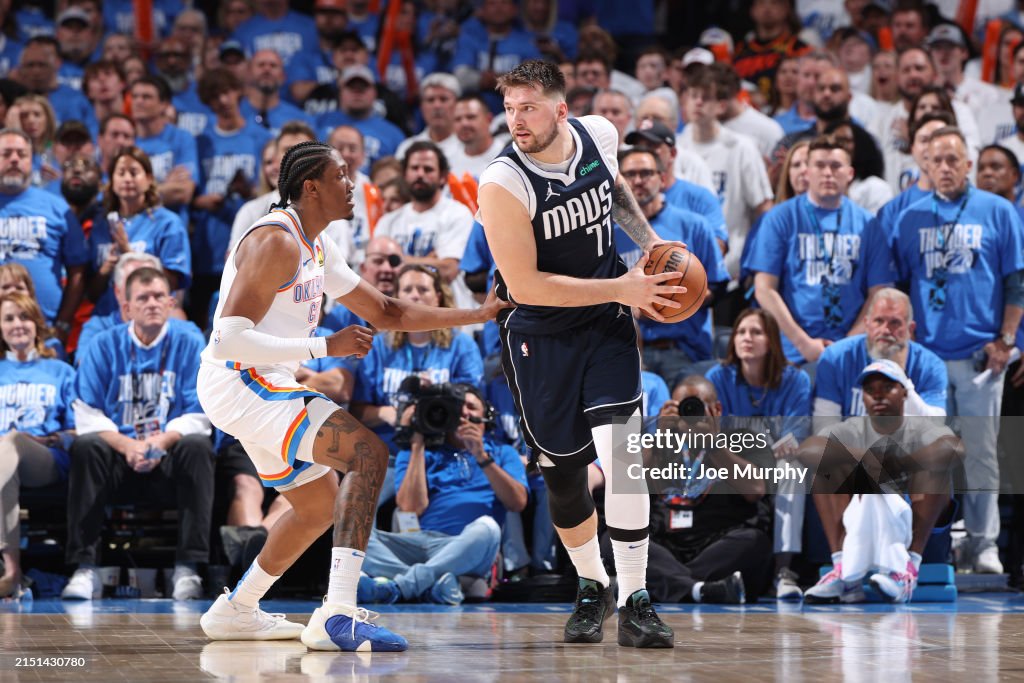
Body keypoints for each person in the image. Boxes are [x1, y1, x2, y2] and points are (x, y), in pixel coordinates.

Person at [196, 140, 505, 651]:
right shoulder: (276, 241)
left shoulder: (317, 245)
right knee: (368, 452)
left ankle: (238, 608)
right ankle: (337, 614)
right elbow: (226, 340)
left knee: (317, 507)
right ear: (310, 186)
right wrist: (324, 346)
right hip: (240, 380)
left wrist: (475, 315)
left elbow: (387, 312)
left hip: (261, 382)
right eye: (341, 175)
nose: (353, 184)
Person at [477, 60, 682, 648]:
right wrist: (624, 286)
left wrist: (651, 243)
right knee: (564, 474)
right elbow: (525, 285)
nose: (516, 121)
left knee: (624, 455)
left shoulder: (600, 135)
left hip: (606, 324)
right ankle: (593, 584)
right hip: (538, 336)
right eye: (510, 109)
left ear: (560, 109)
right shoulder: (502, 182)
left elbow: (613, 193)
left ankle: (638, 597)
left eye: (528, 108)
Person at [892, 125, 1024, 574]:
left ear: (967, 165)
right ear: (924, 166)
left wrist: (1006, 339)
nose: (945, 167)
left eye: (954, 159)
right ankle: (932, 546)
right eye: (936, 160)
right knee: (929, 455)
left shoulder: (999, 210)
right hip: (926, 358)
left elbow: (1015, 281)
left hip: (980, 356)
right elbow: (900, 286)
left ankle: (984, 545)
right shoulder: (908, 217)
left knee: (984, 452)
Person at [63, 267, 215, 601]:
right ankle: (84, 568)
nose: (153, 303)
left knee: (198, 447)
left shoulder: (190, 342)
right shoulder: (104, 346)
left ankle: (188, 568)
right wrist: (127, 444)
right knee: (86, 447)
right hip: (118, 459)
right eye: (143, 298)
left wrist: (160, 442)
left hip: (168, 458)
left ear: (172, 302)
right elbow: (85, 412)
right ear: (127, 306)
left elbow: (202, 412)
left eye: (160, 296)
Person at [799, 360, 960, 603]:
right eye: (870, 390)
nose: (878, 396)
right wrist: (865, 457)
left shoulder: (921, 428)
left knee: (937, 464)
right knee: (825, 466)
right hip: (865, 527)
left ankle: (908, 570)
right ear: (862, 397)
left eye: (887, 388)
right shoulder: (853, 428)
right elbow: (806, 450)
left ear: (905, 392)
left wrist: (901, 463)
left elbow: (955, 448)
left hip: (919, 527)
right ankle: (844, 572)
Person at [359, 384, 528, 605]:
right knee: (356, 534)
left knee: (488, 528)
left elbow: (517, 503)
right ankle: (429, 586)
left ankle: (400, 586)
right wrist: (417, 442)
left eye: (471, 407)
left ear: (486, 415)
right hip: (417, 544)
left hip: (466, 547)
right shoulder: (416, 452)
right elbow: (410, 508)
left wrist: (480, 454)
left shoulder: (503, 452)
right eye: (458, 407)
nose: (464, 413)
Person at [748, 136, 893, 365]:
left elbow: (878, 292)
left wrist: (847, 344)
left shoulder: (868, 224)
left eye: (835, 166)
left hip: (852, 349)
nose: (828, 173)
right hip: (792, 352)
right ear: (808, 172)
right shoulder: (780, 218)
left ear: (850, 174)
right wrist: (802, 343)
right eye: (819, 165)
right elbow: (764, 289)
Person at [636, 375, 771, 604]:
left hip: (715, 546)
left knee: (754, 540)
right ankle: (702, 590)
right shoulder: (661, 443)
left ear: (717, 409)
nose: (690, 414)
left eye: (696, 406)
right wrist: (657, 438)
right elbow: (627, 478)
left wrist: (713, 445)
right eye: (683, 408)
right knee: (614, 538)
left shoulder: (745, 438)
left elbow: (756, 489)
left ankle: (666, 583)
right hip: (667, 544)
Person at [706, 308, 811, 599]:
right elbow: (716, 436)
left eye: (756, 332)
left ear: (772, 341)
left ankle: (784, 569)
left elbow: (792, 439)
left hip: (774, 466)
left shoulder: (795, 380)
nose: (746, 339)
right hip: (734, 464)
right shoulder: (718, 377)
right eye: (741, 332)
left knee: (792, 467)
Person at [613, 147, 729, 384]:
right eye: (630, 174)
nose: (638, 181)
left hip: (683, 351)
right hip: (625, 350)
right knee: (627, 422)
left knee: (682, 421)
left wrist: (670, 299)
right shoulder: (607, 232)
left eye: (646, 173)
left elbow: (716, 288)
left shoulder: (694, 225)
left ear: (663, 178)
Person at [350, 264, 484, 455]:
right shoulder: (378, 347)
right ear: (395, 298)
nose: (415, 295)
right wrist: (387, 413)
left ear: (438, 297)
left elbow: (474, 405)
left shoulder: (462, 346)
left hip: (447, 451)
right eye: (407, 289)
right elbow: (356, 411)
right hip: (389, 454)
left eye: (423, 289)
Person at [0, 291, 77, 598]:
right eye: (9, 318)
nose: (18, 324)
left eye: (25, 317)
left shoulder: (61, 371)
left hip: (44, 459)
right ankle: (12, 573)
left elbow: (78, 431)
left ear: (37, 324)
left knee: (13, 440)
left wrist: (48, 439)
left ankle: (10, 571)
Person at [0, 128, 87, 342]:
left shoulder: (58, 209)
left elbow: (78, 273)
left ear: (32, 160)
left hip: (45, 332)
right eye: (6, 154)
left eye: (21, 154)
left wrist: (63, 324)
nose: (14, 160)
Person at [86, 146, 191, 317]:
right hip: (106, 320)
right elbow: (90, 294)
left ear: (149, 179)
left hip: (150, 319)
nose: (127, 179)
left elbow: (171, 283)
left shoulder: (168, 223)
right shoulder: (99, 224)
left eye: (134, 172)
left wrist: (129, 254)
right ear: (111, 181)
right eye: (121, 173)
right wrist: (106, 269)